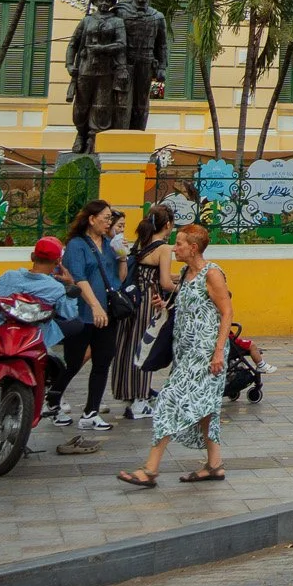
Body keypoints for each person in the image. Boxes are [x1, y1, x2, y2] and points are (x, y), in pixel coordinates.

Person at [117, 224, 232, 488]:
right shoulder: (185, 273)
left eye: (179, 244)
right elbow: (191, 305)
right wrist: (166, 305)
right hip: (185, 351)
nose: (174, 248)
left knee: (168, 401)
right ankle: (214, 465)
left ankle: (150, 469)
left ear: (193, 248)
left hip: (205, 354)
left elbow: (227, 312)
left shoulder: (212, 273)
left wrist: (218, 352)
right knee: (205, 407)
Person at [50, 200, 121, 431]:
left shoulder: (109, 244)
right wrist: (94, 306)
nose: (109, 222)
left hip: (107, 314)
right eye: (106, 218)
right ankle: (52, 402)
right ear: (91, 219)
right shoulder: (77, 245)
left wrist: (122, 257)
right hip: (82, 314)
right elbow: (79, 278)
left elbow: (117, 278)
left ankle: (91, 412)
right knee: (73, 362)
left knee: (102, 361)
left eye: (111, 218)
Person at [112, 205, 176, 420]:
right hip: (149, 300)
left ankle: (129, 393)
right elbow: (165, 282)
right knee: (145, 349)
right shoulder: (164, 248)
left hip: (133, 299)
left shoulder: (142, 243)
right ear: (168, 224)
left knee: (129, 346)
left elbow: (149, 272)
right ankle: (140, 400)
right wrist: (183, 287)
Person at [0, 237, 83, 355]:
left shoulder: (8, 276)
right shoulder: (56, 287)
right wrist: (70, 284)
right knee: (77, 323)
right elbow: (69, 314)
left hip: (1, 333)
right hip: (36, 337)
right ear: (58, 261)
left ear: (32, 256)